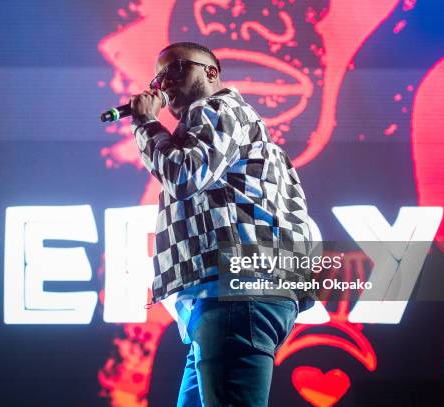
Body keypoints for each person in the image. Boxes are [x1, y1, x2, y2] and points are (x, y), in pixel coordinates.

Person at [129, 41, 313, 407]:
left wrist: (147, 124)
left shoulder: (219, 109)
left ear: (211, 72)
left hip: (235, 295)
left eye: (175, 70)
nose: (162, 84)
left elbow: (183, 175)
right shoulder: (239, 128)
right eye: (158, 77)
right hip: (235, 297)